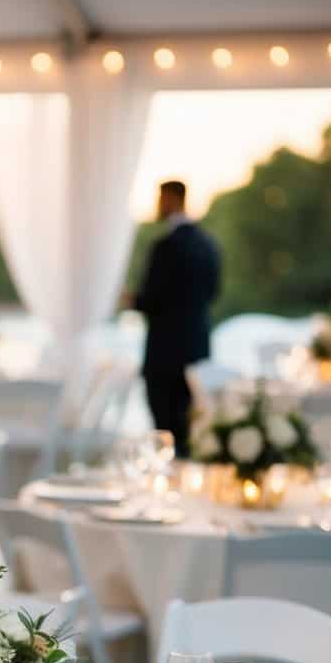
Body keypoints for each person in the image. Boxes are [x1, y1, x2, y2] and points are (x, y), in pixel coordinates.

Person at [129, 180, 221, 456]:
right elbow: (212, 293)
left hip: (165, 353)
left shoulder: (165, 246)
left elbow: (152, 298)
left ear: (171, 198)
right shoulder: (209, 245)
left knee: (165, 432)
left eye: (160, 198)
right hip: (197, 348)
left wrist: (131, 300)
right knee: (191, 430)